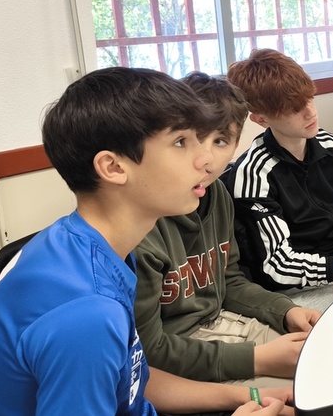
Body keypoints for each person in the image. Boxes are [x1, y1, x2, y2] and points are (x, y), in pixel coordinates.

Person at [0, 67, 288, 416]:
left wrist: (244, 398)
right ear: (114, 168)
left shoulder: (92, 247)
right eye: (181, 142)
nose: (206, 159)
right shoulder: (86, 311)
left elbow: (133, 380)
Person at [134, 72, 321, 391]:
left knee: (331, 360)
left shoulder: (217, 194)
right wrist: (257, 359)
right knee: (310, 392)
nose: (205, 158)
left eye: (221, 141)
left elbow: (228, 279)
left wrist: (285, 311)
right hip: (180, 361)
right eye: (190, 140)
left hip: (224, 324)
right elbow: (150, 352)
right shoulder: (142, 223)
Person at [222, 49, 333, 310]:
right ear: (261, 119)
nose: (310, 112)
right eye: (293, 108)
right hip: (287, 294)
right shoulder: (254, 173)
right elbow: (278, 267)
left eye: (309, 98)